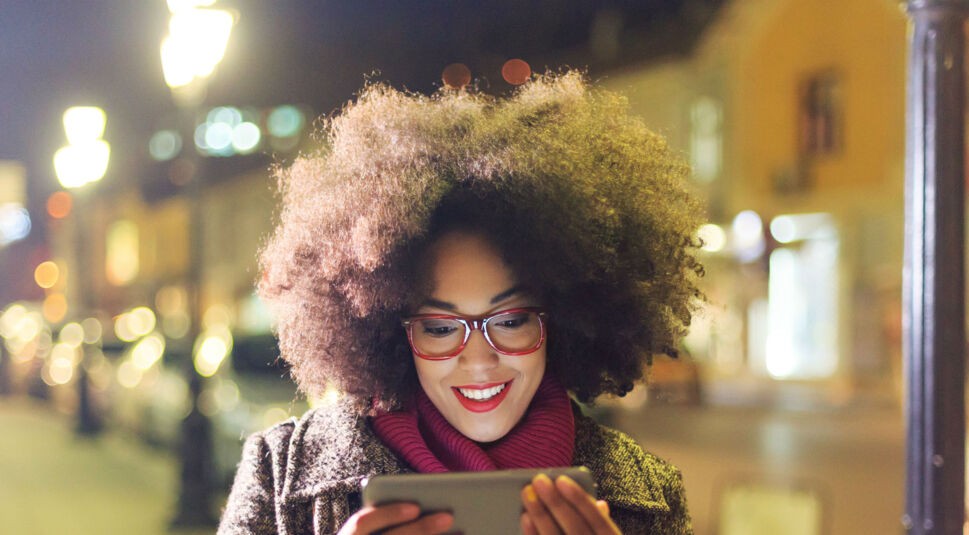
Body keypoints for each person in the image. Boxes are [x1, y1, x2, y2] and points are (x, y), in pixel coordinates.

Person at [218, 71, 703, 535]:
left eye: (511, 319)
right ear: (389, 332)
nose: (478, 359)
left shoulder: (647, 497)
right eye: (440, 327)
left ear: (564, 321)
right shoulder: (279, 474)